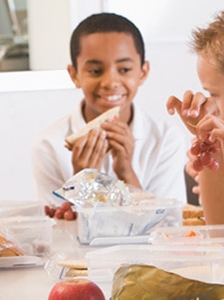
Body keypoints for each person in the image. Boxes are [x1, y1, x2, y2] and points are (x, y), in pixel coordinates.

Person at [31, 12, 187, 220]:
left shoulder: (166, 139)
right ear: (74, 75)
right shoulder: (49, 146)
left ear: (143, 72)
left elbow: (170, 226)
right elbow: (57, 235)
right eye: (95, 71)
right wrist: (83, 184)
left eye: (124, 69)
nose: (111, 82)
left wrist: (126, 173)